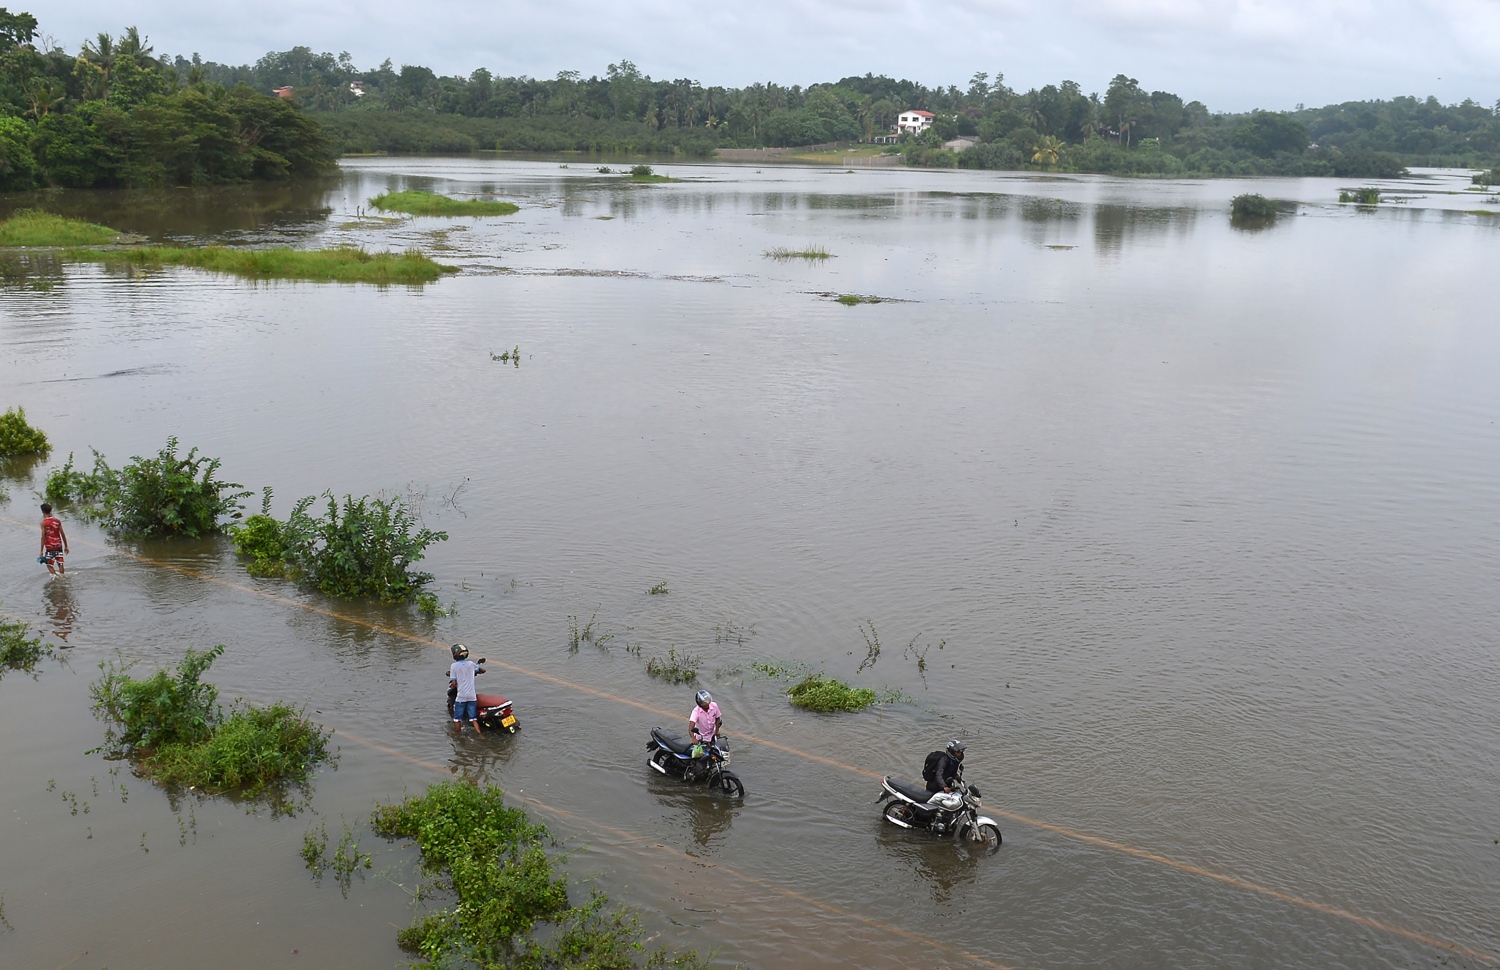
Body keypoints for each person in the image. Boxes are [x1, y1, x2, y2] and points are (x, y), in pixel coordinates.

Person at [447, 643, 486, 736]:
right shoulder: (471, 664)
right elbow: (483, 670)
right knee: (473, 718)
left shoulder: (454, 666)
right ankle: (480, 735)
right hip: (472, 697)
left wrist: (452, 683)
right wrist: (477, 670)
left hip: (462, 697)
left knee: (457, 719)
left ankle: (458, 735)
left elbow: (454, 683)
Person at [688, 689, 722, 758]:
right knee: (699, 757)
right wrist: (693, 739)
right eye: (704, 703)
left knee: (715, 754)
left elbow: (718, 718)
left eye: (708, 701)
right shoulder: (696, 712)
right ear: (700, 704)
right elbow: (691, 727)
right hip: (700, 738)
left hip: (712, 735)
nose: (707, 704)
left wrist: (717, 730)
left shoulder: (714, 706)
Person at [38, 503, 68, 578]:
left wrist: (41, 550)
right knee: (60, 563)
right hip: (59, 545)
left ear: (42, 512)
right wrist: (66, 546)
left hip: (50, 547)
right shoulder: (57, 521)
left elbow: (43, 536)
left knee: (49, 564)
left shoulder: (43, 523)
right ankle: (62, 576)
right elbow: (63, 534)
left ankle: (56, 577)